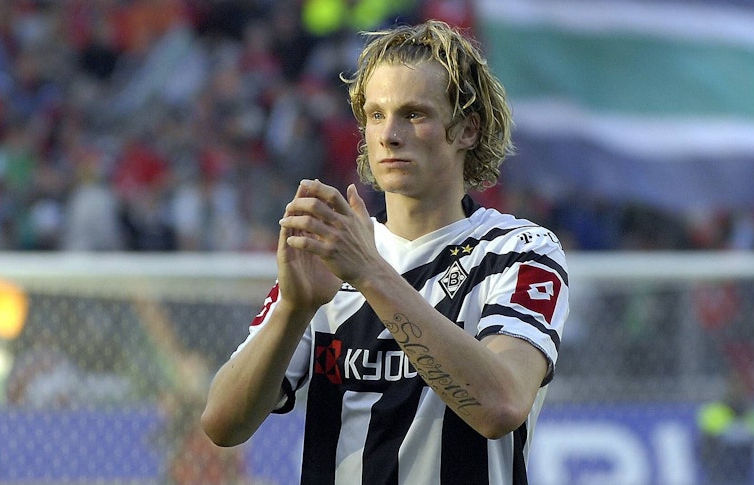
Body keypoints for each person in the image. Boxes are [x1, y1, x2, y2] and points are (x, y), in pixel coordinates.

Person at [201, 19, 569, 484]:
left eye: (414, 114)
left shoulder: (519, 251)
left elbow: (500, 406)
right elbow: (222, 424)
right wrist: (294, 307)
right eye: (376, 115)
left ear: (468, 130)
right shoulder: (333, 254)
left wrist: (372, 273)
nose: (389, 135)